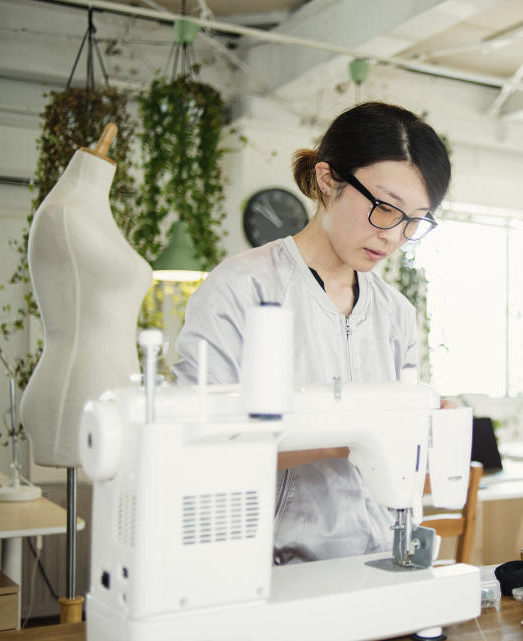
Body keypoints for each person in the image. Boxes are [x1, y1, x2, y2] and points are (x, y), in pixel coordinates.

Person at [172, 102, 451, 564]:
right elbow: (197, 443)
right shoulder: (244, 287)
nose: (392, 236)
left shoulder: (395, 312)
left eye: (414, 221)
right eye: (384, 207)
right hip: (269, 569)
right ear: (328, 179)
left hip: (378, 562)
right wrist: (354, 437)